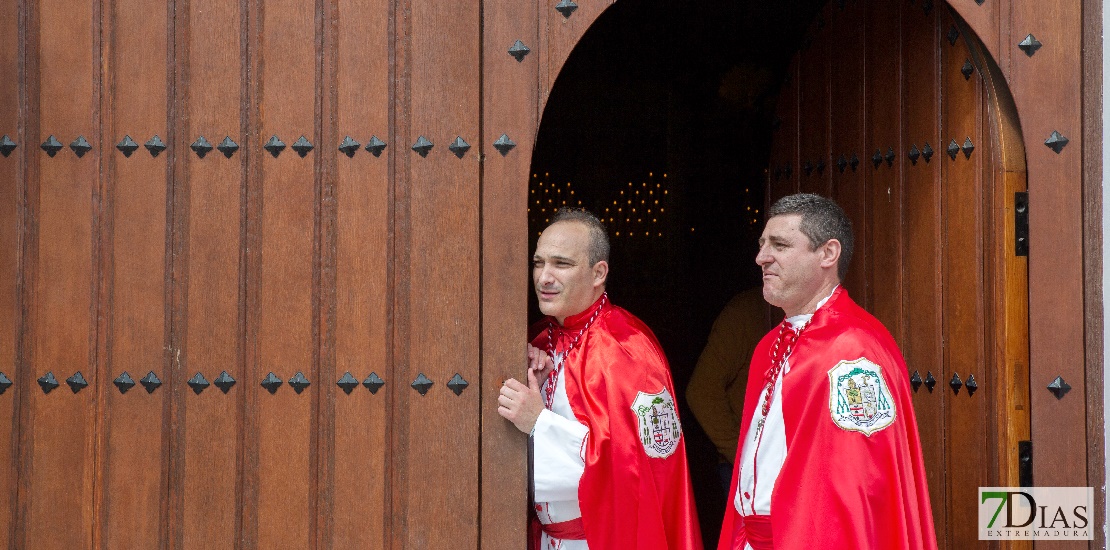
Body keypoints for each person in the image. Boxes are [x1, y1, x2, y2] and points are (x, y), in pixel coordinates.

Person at [719, 194, 936, 549]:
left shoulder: (854, 348)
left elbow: (855, 491)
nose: (762, 258)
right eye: (762, 245)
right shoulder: (769, 345)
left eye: (780, 244)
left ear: (827, 254)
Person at [498, 209, 703, 550]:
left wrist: (539, 423)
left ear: (598, 273)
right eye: (538, 263)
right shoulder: (537, 339)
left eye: (561, 264)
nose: (544, 277)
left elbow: (636, 472)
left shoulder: (628, 348)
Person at [686, 286, 769, 490]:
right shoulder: (746, 313)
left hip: (800, 465)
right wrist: (743, 455)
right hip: (747, 473)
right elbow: (701, 391)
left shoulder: (812, 312)